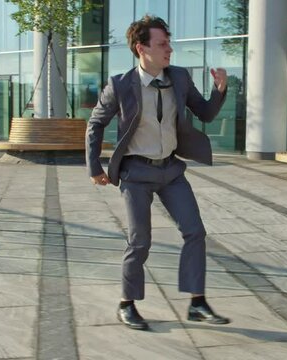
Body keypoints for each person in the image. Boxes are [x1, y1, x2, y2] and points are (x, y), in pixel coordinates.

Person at [85, 15, 230, 331]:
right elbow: (95, 124)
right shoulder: (120, 85)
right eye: (162, 44)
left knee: (195, 232)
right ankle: (127, 303)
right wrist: (95, 166)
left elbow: (203, 112)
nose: (170, 50)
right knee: (140, 242)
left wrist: (220, 90)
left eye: (169, 43)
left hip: (171, 170)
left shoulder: (179, 77)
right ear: (141, 48)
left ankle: (196, 303)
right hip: (136, 172)